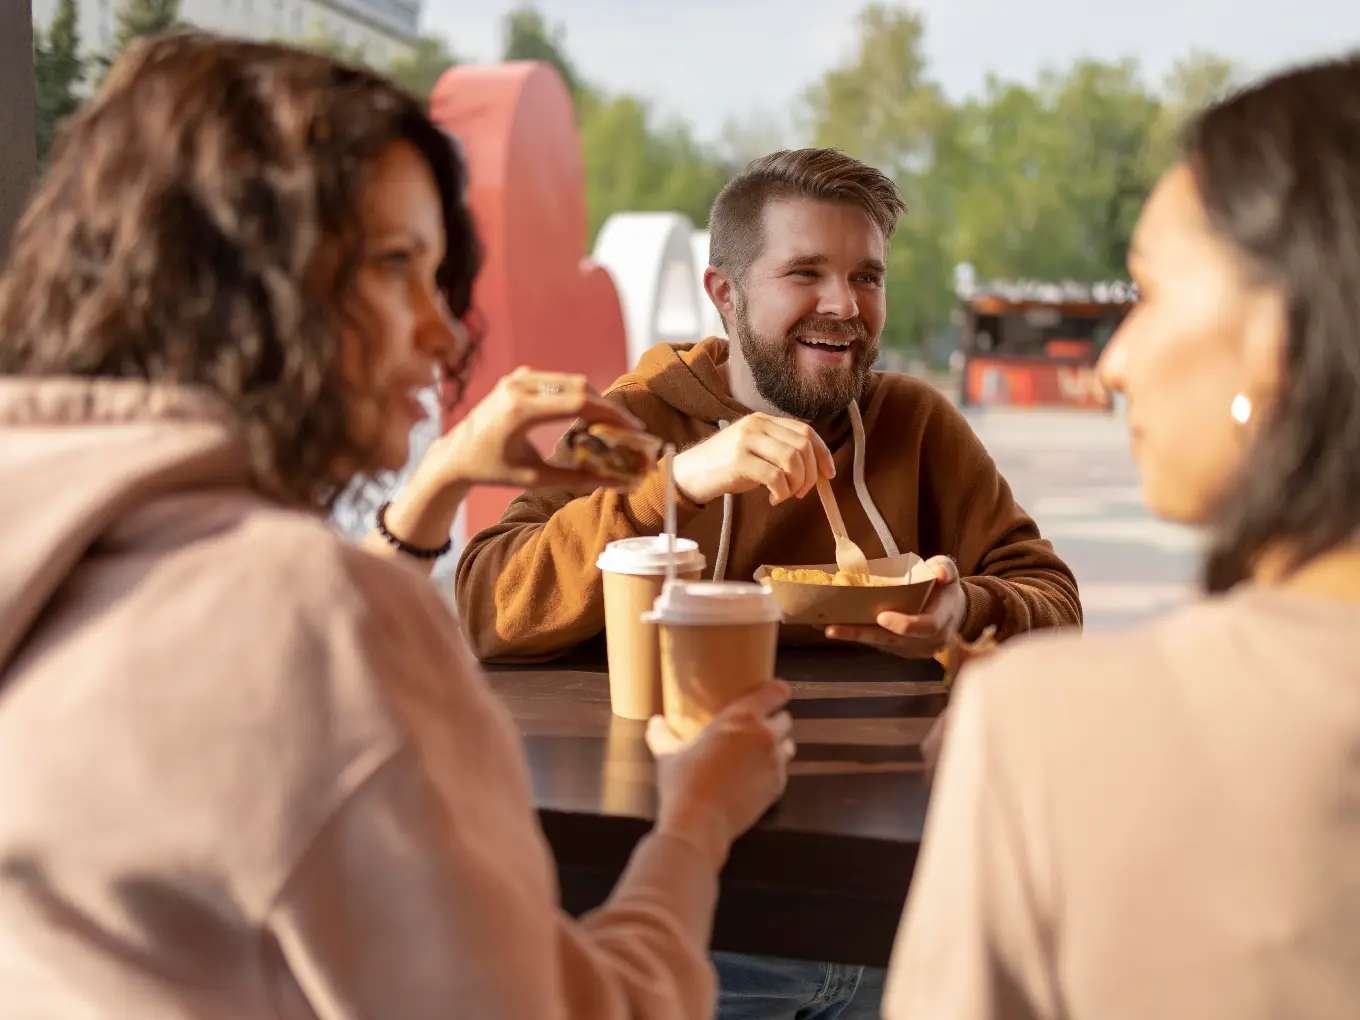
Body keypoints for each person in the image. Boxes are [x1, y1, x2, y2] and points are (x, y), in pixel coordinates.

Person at [0, 35, 795, 1019]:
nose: (444, 331)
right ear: (238, 280)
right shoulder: (317, 622)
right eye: (393, 265)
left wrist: (440, 479)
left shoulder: (48, 543)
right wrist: (696, 824)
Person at [444, 148, 1084, 1018]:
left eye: (867, 276)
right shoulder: (637, 419)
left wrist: (966, 606)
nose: (844, 305)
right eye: (805, 274)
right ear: (724, 294)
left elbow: (1051, 596)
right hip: (705, 912)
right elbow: (487, 600)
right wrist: (674, 484)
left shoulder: (917, 425)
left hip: (903, 908)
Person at [883, 55, 1360, 1020]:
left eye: (1147, 295)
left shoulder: (1044, 732)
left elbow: (1042, 587)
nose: (1111, 365)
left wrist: (996, 679)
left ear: (1279, 330)